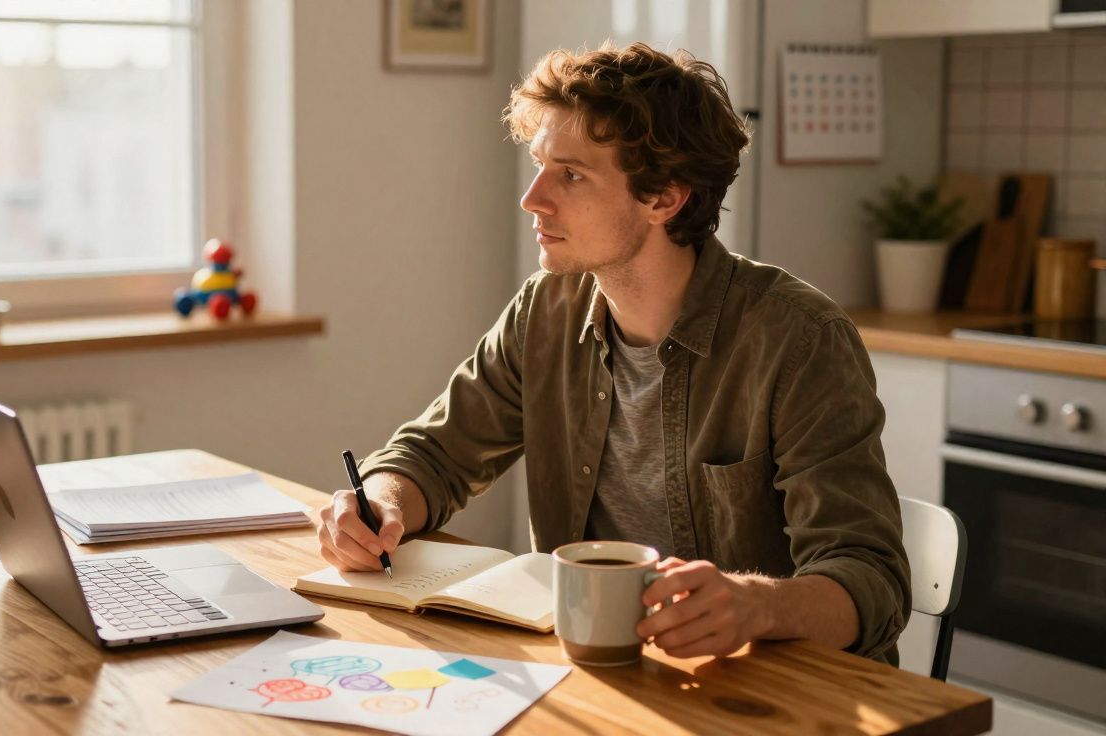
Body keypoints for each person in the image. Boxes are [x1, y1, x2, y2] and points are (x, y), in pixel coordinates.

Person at [314, 42, 909, 665]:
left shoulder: (799, 338)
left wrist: (756, 604)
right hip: (610, 675)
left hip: (775, 694)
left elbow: (873, 579)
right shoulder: (545, 311)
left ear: (664, 199)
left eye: (571, 175)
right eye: (540, 166)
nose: (533, 198)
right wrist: (379, 503)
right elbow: (434, 454)